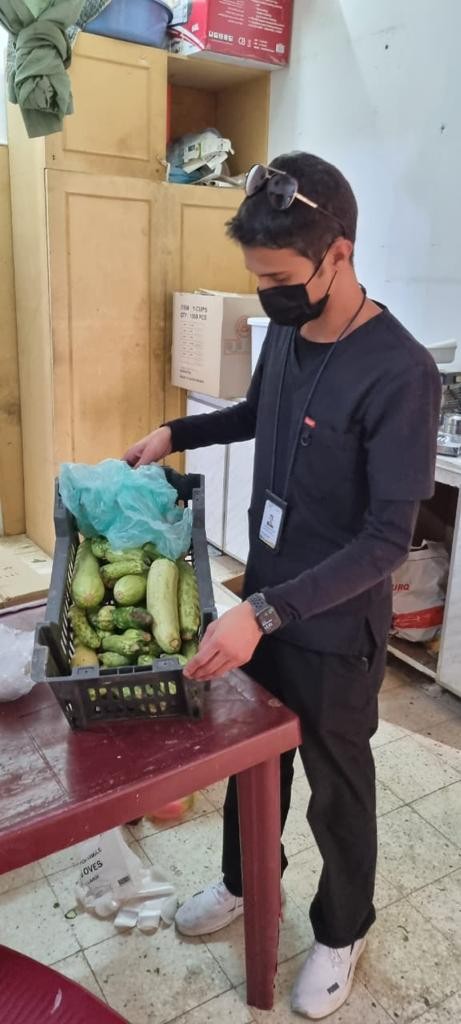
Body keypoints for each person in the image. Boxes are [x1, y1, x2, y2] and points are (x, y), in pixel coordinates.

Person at [124, 153, 441, 1020]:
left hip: (332, 627)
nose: (267, 295)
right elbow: (254, 414)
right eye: (257, 278)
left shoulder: (399, 373)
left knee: (338, 786)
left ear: (338, 253)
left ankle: (342, 929)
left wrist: (264, 612)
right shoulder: (289, 336)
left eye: (278, 278)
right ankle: (244, 881)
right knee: (252, 761)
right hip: (265, 605)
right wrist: (174, 432)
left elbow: (386, 539)